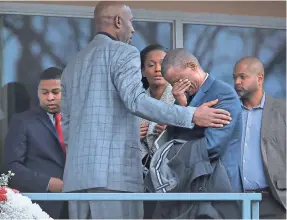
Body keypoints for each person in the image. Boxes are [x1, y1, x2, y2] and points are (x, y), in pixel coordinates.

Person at [60, 2, 232, 219]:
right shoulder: (123, 52)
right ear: (118, 21)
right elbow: (136, 101)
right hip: (114, 179)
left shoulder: (72, 65)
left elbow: (65, 125)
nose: (133, 29)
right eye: (131, 21)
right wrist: (191, 114)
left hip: (76, 179)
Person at [161, 48, 243, 193]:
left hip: (218, 186)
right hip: (191, 185)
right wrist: (183, 109)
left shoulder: (223, 94)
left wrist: (173, 157)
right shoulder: (183, 99)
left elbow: (212, 146)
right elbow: (173, 139)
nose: (178, 87)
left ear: (192, 66)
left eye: (179, 80)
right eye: (173, 84)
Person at [3, 67, 68, 219]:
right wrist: (47, 183)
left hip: (79, 205)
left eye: (55, 92)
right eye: (45, 93)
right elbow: (11, 167)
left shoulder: (79, 120)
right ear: (38, 93)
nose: (50, 97)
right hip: (41, 206)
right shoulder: (22, 121)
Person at [233, 56, 286, 219]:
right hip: (235, 203)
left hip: (274, 201)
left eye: (243, 77)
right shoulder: (230, 112)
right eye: (234, 78)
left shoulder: (282, 111)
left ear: (259, 78)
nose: (237, 82)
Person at [139, 44, 173, 169]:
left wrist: (172, 130)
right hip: (144, 171)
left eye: (162, 64)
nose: (158, 69)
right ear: (143, 71)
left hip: (175, 169)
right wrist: (133, 136)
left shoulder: (182, 97)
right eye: (151, 65)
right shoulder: (136, 102)